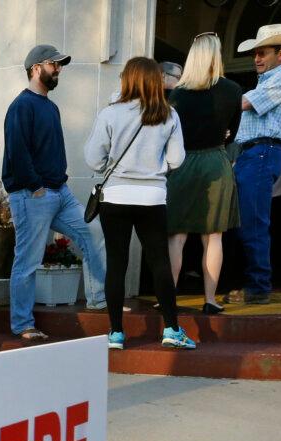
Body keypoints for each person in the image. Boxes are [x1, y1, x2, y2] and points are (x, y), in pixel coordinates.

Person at [84, 56, 194, 350]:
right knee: (160, 262)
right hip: (152, 197)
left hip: (116, 196)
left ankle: (116, 333)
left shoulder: (110, 114)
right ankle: (171, 329)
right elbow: (176, 159)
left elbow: (93, 158)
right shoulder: (169, 115)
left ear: (128, 79)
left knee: (117, 264)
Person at [3, 44, 104, 340]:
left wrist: (59, 181)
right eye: (53, 64)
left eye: (60, 65)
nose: (58, 69)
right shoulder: (21, 106)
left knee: (93, 233)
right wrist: (35, 187)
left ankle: (99, 299)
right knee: (28, 261)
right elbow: (18, 153)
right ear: (36, 68)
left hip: (61, 193)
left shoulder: (51, 106)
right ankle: (22, 324)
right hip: (33, 195)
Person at [166, 32, 242, 314]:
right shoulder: (233, 90)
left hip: (183, 162)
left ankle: (169, 298)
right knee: (214, 237)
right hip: (215, 162)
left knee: (177, 235)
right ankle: (210, 300)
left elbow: (169, 133)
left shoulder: (177, 94)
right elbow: (232, 132)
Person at [233, 24, 281, 305]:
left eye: (263, 53)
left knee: (253, 223)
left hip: (263, 153)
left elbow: (244, 105)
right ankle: (253, 283)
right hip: (253, 153)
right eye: (256, 54)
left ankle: (259, 287)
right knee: (245, 223)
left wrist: (206, 97)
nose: (257, 58)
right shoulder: (265, 82)